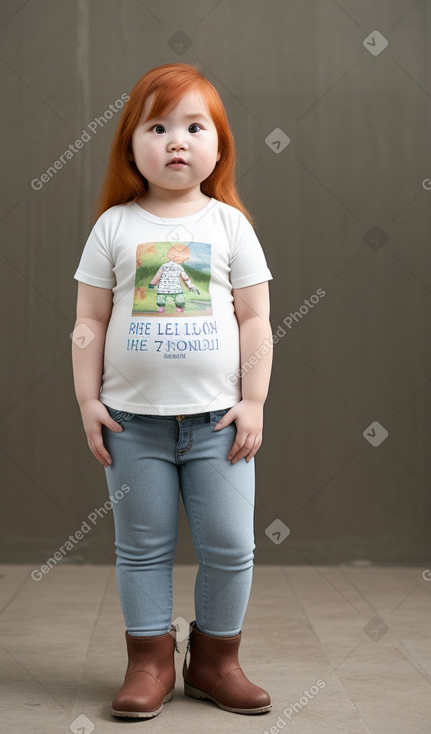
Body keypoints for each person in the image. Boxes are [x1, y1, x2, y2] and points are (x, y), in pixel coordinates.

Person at [72, 62, 274, 719]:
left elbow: (254, 320)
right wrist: (87, 400)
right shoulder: (113, 227)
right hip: (134, 425)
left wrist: (253, 401)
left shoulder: (228, 226)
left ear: (218, 146)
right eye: (157, 127)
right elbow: (89, 321)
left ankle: (215, 661)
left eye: (194, 127)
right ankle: (149, 662)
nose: (176, 141)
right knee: (141, 545)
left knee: (230, 544)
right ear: (131, 144)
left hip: (219, 423)